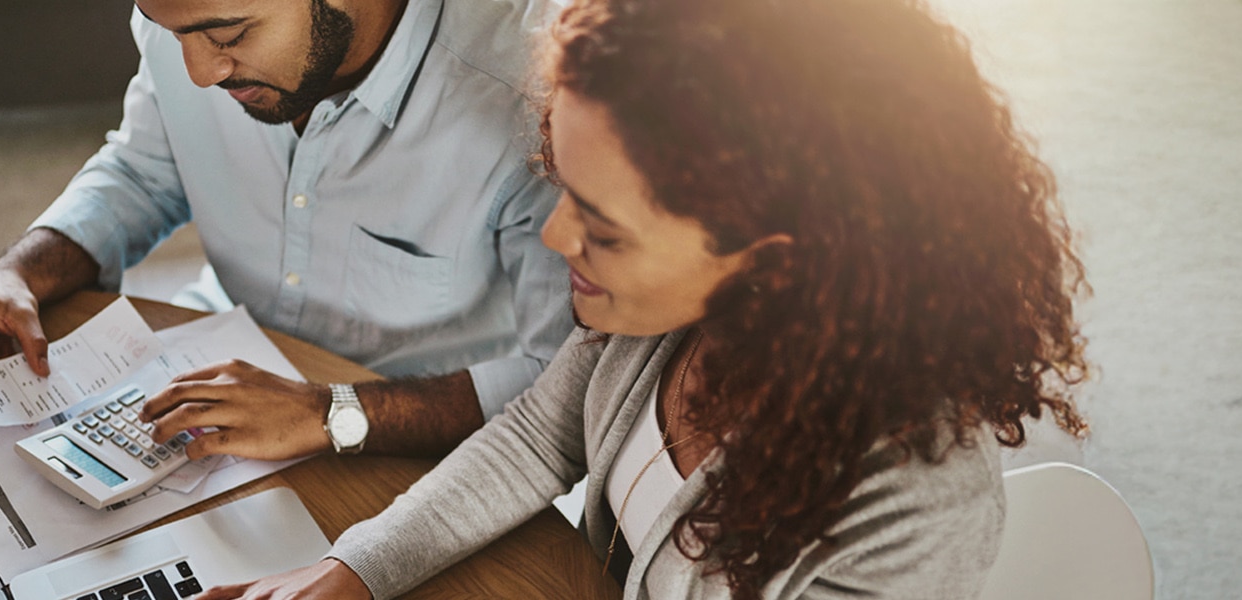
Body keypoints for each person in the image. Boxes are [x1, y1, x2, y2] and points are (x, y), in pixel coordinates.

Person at [194, 0, 1092, 597]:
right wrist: (350, 574)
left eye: (604, 227)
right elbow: (536, 442)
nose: (556, 239)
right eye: (562, 185)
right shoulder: (662, 320)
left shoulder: (912, 504)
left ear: (775, 264)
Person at [0, 0, 576, 460]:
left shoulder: (531, 97)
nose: (200, 73)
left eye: (229, 33)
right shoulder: (187, 23)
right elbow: (145, 173)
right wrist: (19, 273)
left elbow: (563, 382)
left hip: (413, 443)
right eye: (168, 29)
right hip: (207, 371)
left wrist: (331, 412)